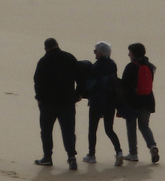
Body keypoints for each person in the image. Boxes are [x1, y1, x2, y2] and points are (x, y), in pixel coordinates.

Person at [33, 37, 81, 170]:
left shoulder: (44, 61)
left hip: (48, 103)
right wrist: (78, 94)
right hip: (67, 102)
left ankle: (47, 157)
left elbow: (37, 81)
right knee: (68, 131)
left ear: (46, 48)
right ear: (57, 45)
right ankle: (72, 158)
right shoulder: (69, 57)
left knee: (46, 131)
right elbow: (80, 77)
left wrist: (39, 98)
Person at [81, 42, 123, 165]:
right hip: (110, 100)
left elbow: (92, 83)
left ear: (100, 52)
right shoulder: (112, 64)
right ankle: (119, 151)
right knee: (109, 129)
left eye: (96, 51)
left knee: (92, 129)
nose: (94, 53)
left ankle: (91, 154)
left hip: (97, 100)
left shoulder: (97, 66)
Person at [120, 42, 159, 164]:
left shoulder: (131, 66)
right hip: (147, 100)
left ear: (133, 54)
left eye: (130, 52)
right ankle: (152, 146)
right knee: (144, 126)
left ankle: (133, 153)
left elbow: (124, 85)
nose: (128, 54)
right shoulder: (150, 66)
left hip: (133, 101)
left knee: (131, 127)